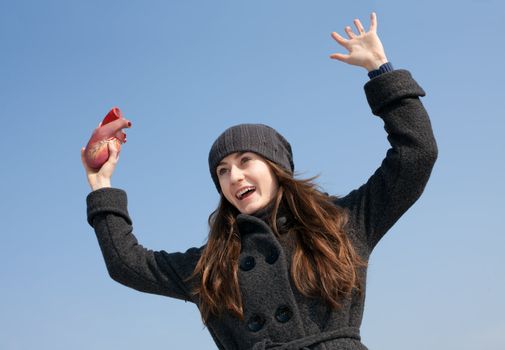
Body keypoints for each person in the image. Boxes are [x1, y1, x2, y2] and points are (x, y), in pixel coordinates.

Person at [81, 12, 438, 350]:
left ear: (276, 168)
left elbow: (416, 155)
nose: (234, 176)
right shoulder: (212, 266)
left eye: (245, 160)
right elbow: (128, 264)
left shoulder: (339, 224)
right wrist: (101, 182)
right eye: (222, 171)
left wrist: (381, 70)